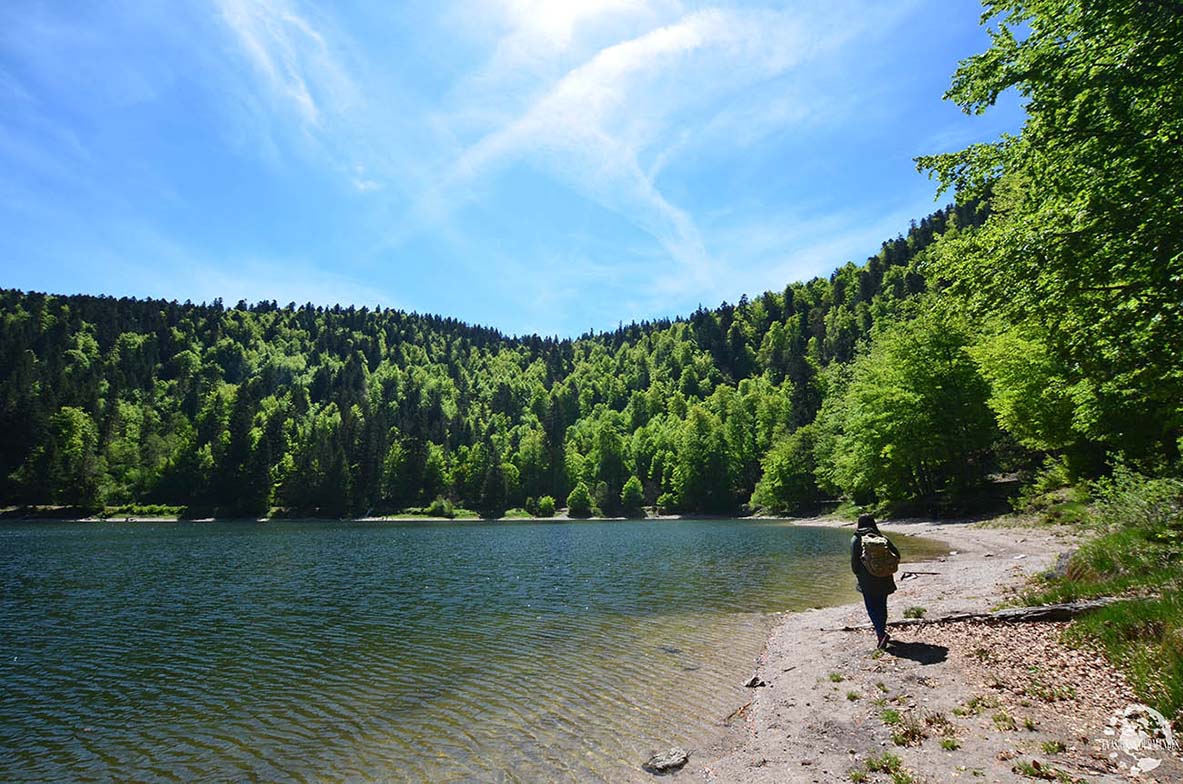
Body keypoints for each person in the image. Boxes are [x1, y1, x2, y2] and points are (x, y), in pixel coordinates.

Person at [851, 513, 900, 649]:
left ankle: (880, 634)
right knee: (881, 606)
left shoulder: (856, 539)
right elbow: (897, 555)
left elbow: (854, 564)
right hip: (884, 577)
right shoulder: (882, 538)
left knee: (872, 607)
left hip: (867, 580)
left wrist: (859, 575)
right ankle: (882, 631)